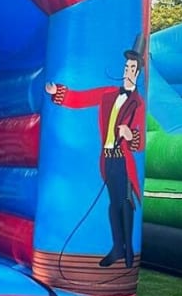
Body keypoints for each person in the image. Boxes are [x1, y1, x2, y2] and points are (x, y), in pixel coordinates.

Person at [45, 35, 146, 268]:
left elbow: (139, 142)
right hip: (108, 159)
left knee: (125, 201)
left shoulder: (139, 104)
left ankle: (129, 249)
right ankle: (118, 247)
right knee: (113, 203)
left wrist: (131, 136)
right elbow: (81, 98)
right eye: (127, 67)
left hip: (123, 160)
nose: (128, 71)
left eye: (133, 68)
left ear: (138, 73)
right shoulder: (109, 94)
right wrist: (57, 91)